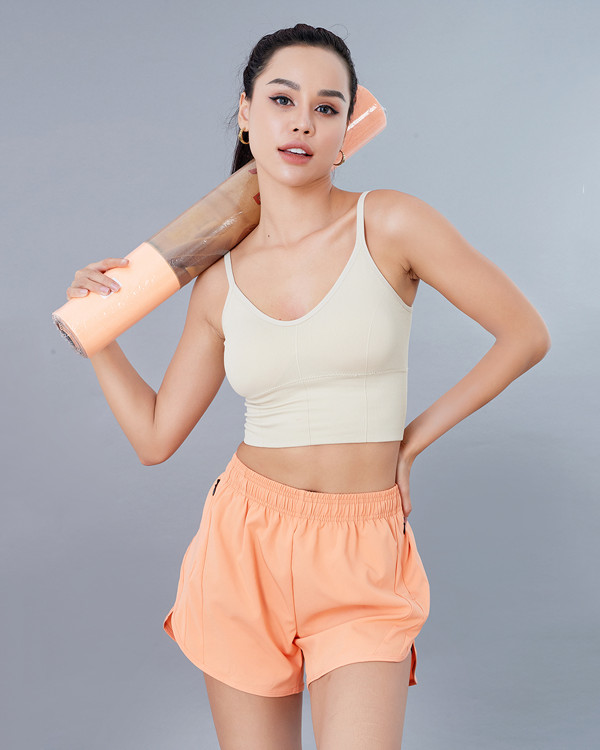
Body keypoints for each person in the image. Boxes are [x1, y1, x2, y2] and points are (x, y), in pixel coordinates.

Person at [64, 23, 551, 750]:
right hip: (244, 546)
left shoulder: (390, 223)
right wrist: (98, 334)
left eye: (327, 108)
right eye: (282, 99)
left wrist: (410, 442)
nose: (302, 122)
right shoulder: (217, 281)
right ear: (246, 113)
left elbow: (525, 334)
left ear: (346, 129)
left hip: (362, 551)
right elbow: (155, 438)